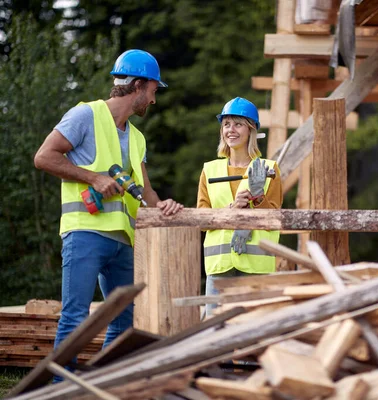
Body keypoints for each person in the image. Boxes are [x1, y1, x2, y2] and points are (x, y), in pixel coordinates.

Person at [33, 49, 184, 372]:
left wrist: (164, 205)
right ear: (139, 86)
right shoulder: (85, 115)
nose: (154, 101)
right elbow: (44, 157)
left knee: (125, 319)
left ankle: (104, 382)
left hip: (124, 241)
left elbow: (145, 190)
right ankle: (63, 391)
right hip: (86, 233)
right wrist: (94, 178)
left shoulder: (138, 137)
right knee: (75, 316)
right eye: (154, 92)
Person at [197, 97, 282, 316]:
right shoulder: (210, 170)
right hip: (220, 267)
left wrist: (258, 197)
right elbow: (201, 221)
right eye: (226, 124)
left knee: (255, 329)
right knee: (214, 332)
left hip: (256, 269)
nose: (231, 130)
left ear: (251, 130)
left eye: (238, 124)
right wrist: (228, 212)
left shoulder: (269, 169)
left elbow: (275, 220)